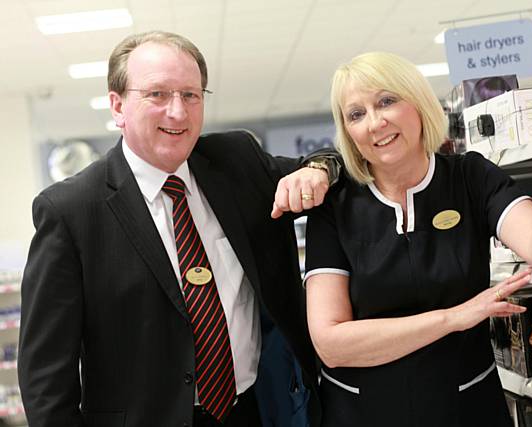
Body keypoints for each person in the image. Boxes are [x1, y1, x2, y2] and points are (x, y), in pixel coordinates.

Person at [18, 31, 340, 427]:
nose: (178, 112)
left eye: (191, 95)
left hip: (257, 409)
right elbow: (45, 377)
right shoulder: (70, 211)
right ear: (117, 106)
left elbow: (329, 163)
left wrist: (318, 171)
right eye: (157, 94)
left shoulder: (236, 161)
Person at [303, 52, 532, 426]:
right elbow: (331, 344)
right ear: (347, 132)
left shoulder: (470, 179)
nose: (375, 123)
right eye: (356, 114)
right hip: (362, 414)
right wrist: (454, 318)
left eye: (386, 101)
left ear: (419, 103)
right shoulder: (335, 203)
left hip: (466, 408)